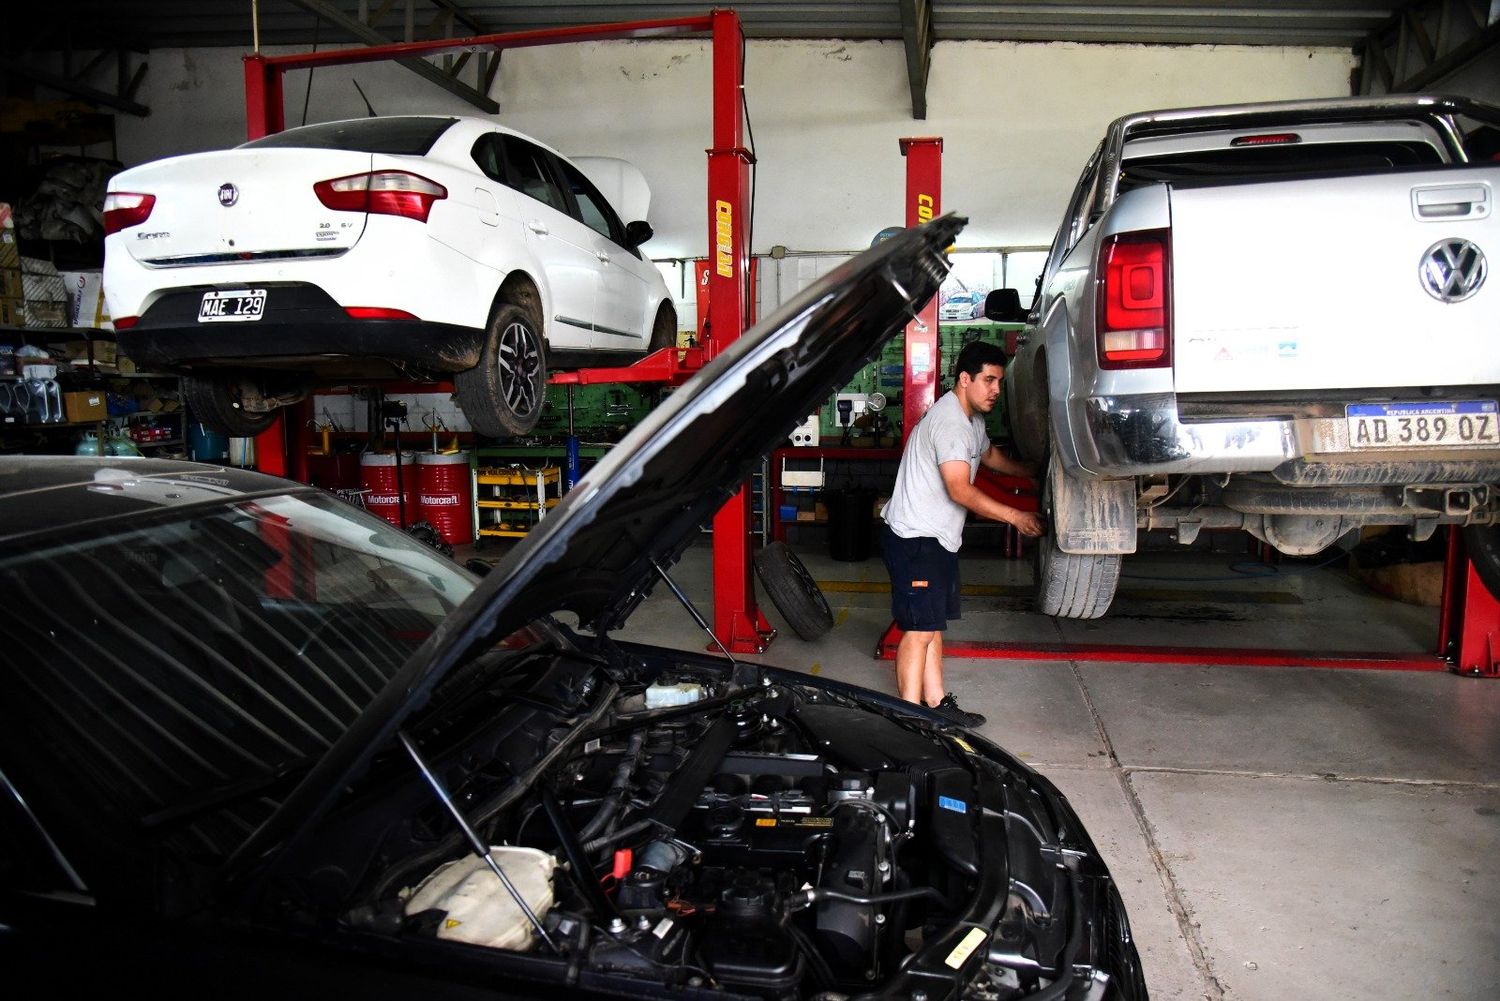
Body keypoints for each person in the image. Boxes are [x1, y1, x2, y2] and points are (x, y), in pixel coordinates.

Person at [881, 340, 1044, 726]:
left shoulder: (972, 420)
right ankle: (911, 719)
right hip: (914, 538)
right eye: (989, 380)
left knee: (931, 626)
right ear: (965, 378)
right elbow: (960, 488)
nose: (996, 390)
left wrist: (1032, 470)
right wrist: (1016, 517)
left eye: (1000, 382)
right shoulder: (951, 422)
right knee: (918, 631)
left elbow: (990, 457)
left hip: (936, 538)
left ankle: (937, 706)